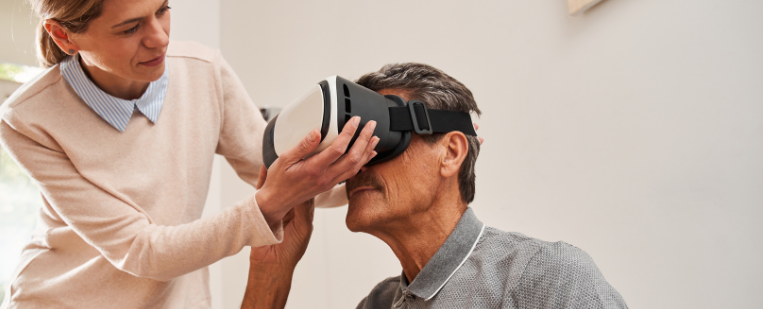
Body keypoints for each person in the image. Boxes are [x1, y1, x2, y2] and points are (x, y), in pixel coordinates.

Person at [0, 0, 372, 307]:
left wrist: (364, 169)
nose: (159, 38)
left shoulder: (204, 72)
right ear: (64, 36)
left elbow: (277, 170)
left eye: (163, 9)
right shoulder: (26, 120)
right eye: (130, 27)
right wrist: (267, 205)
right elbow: (140, 249)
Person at [242, 63, 628, 309]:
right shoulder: (377, 304)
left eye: (378, 137)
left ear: (451, 152)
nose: (355, 164)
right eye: (349, 146)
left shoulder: (541, 277)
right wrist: (270, 270)